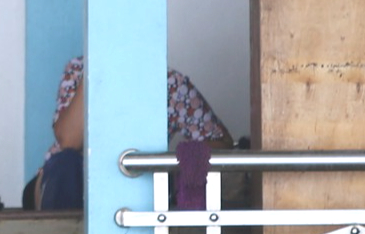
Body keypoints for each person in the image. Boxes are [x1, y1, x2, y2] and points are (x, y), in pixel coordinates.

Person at [24, 57, 232, 211]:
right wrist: (96, 69)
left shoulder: (168, 83)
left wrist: (177, 162)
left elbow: (220, 142)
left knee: (164, 172)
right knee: (66, 164)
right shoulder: (79, 70)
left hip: (134, 184)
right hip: (71, 184)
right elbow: (69, 140)